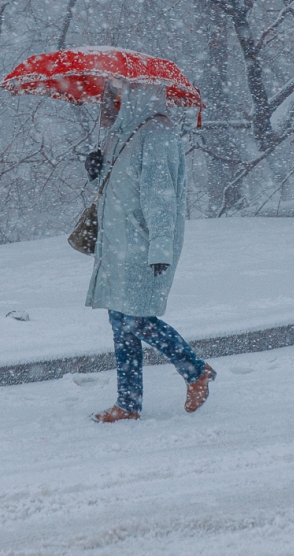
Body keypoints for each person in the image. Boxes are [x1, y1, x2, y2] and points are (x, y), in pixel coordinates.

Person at [83, 79, 215, 423]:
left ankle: (195, 371)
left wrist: (160, 246)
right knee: (120, 321)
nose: (114, 99)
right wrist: (96, 171)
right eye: (112, 93)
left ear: (139, 92)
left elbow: (161, 195)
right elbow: (120, 187)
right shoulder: (120, 132)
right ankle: (128, 404)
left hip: (142, 242)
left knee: (136, 319)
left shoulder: (157, 133)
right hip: (117, 242)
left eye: (120, 92)